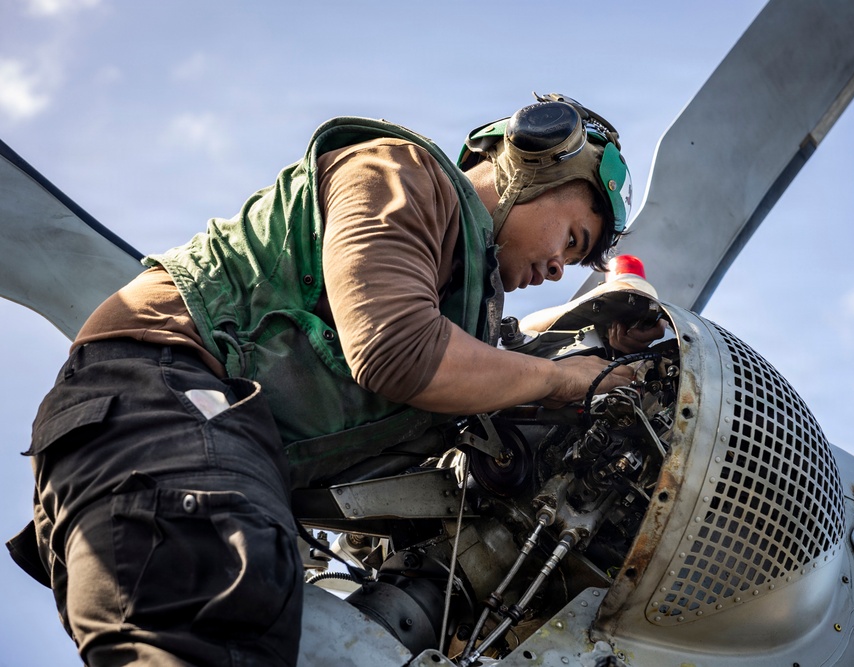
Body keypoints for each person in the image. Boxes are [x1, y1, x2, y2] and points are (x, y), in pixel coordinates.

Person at [10, 93, 663, 665]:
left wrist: (598, 349)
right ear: (533, 161)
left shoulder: (462, 308)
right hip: (164, 403)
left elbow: (481, 363)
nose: (560, 268)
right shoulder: (401, 174)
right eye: (572, 238)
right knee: (224, 621)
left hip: (194, 448)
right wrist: (561, 381)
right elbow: (396, 349)